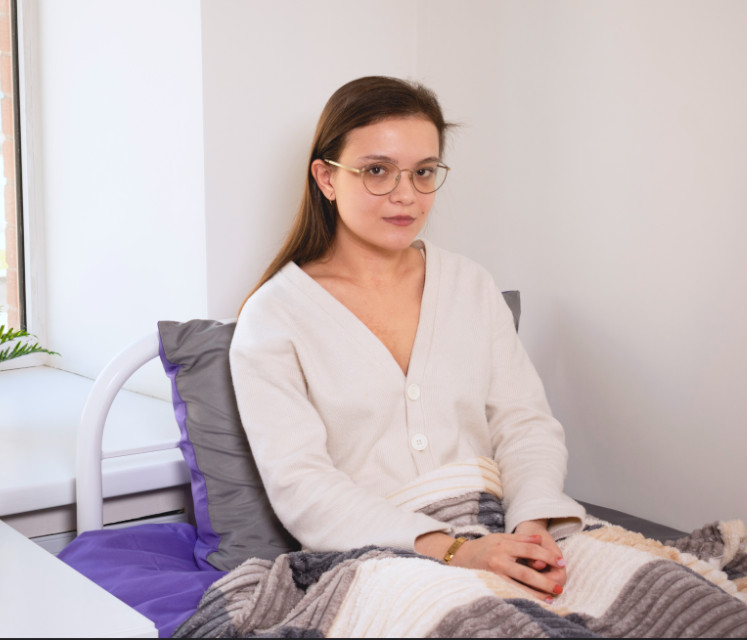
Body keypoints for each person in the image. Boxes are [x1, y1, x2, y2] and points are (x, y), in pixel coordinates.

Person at [229, 75, 585, 604]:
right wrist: (455, 551)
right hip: (374, 555)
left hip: (506, 530)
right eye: (377, 170)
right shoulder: (274, 316)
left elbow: (524, 424)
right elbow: (301, 485)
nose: (406, 195)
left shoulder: (469, 284)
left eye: (423, 172)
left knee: (671, 596)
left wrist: (532, 528)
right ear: (326, 178)